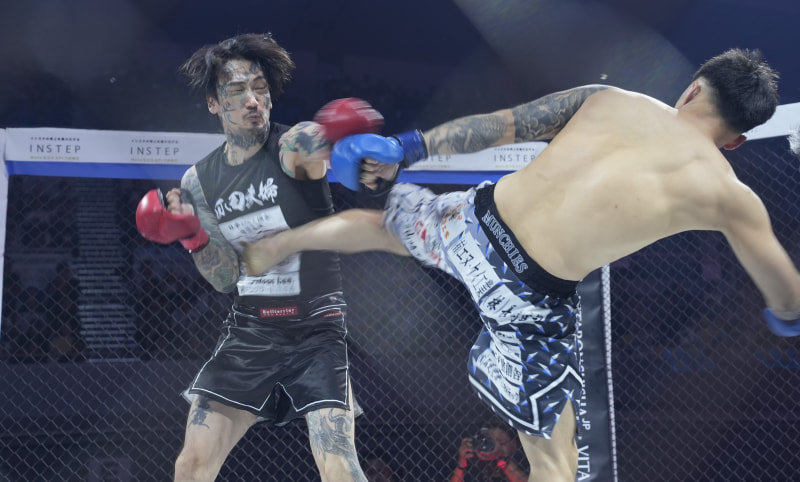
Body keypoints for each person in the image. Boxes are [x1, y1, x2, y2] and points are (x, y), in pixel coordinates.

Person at [241, 48, 800, 481]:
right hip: (528, 297)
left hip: (475, 225)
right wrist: (783, 316)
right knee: (557, 460)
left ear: (693, 89)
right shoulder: (730, 194)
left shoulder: (611, 99)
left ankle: (273, 247)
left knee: (388, 228)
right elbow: (787, 296)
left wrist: (408, 147)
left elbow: (503, 124)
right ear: (735, 141)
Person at [134, 33, 390, 481]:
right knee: (191, 464)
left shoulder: (292, 146)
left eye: (261, 88)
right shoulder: (199, 181)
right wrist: (192, 235)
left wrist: (356, 148)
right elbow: (224, 278)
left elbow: (316, 140)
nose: (253, 100)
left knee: (338, 464)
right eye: (238, 91)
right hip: (251, 332)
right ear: (214, 103)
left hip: (316, 330)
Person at [451, 424, 528, 482]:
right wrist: (461, 464)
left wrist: (502, 459)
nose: (495, 445)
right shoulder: (474, 463)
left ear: (514, 445)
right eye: (489, 441)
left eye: (502, 443)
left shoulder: (525, 461)